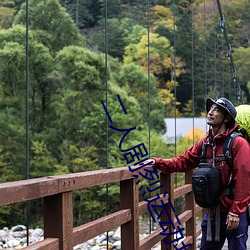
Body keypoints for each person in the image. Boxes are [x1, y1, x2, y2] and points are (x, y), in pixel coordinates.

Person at [142, 97, 250, 250]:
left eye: (216, 110)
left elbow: (244, 179)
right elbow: (183, 161)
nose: (210, 112)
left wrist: (236, 212)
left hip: (233, 212)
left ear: (226, 118)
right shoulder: (205, 143)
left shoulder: (239, 144)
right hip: (213, 211)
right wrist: (157, 162)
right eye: (210, 109)